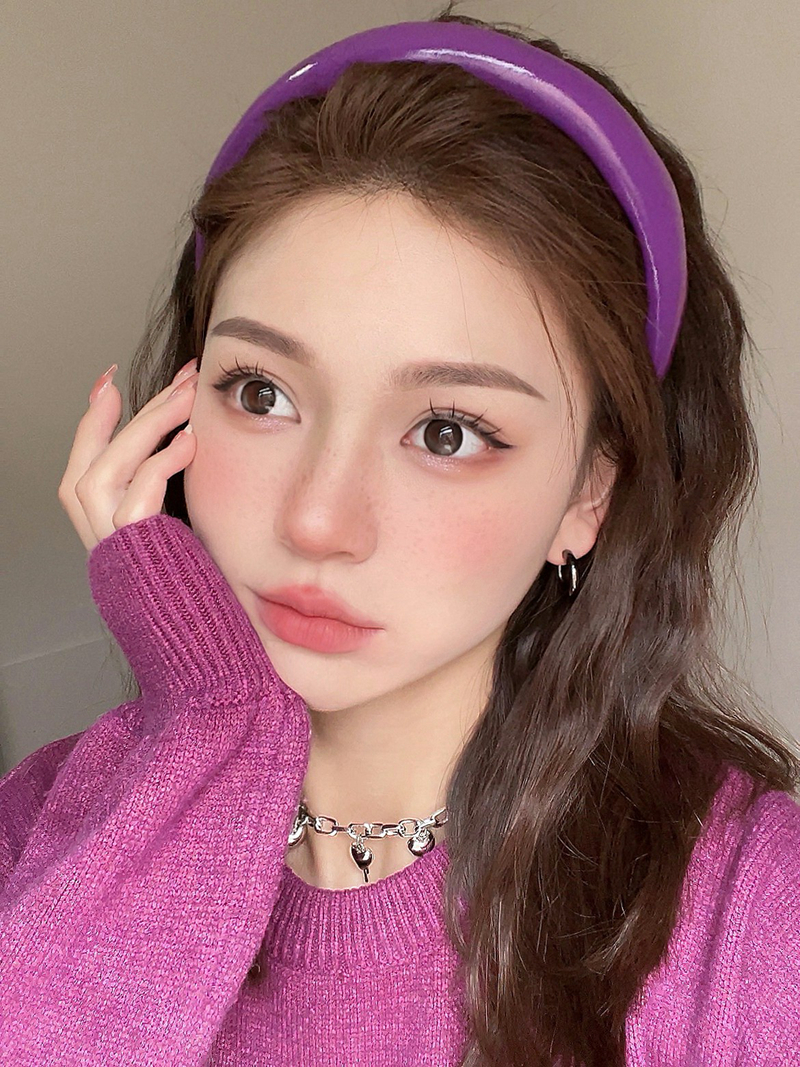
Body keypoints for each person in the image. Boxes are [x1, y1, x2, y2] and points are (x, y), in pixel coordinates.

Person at [1, 7, 799, 1067]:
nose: (316, 519)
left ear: (588, 493)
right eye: (261, 391)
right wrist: (209, 724)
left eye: (446, 431)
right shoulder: (43, 828)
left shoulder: (751, 918)